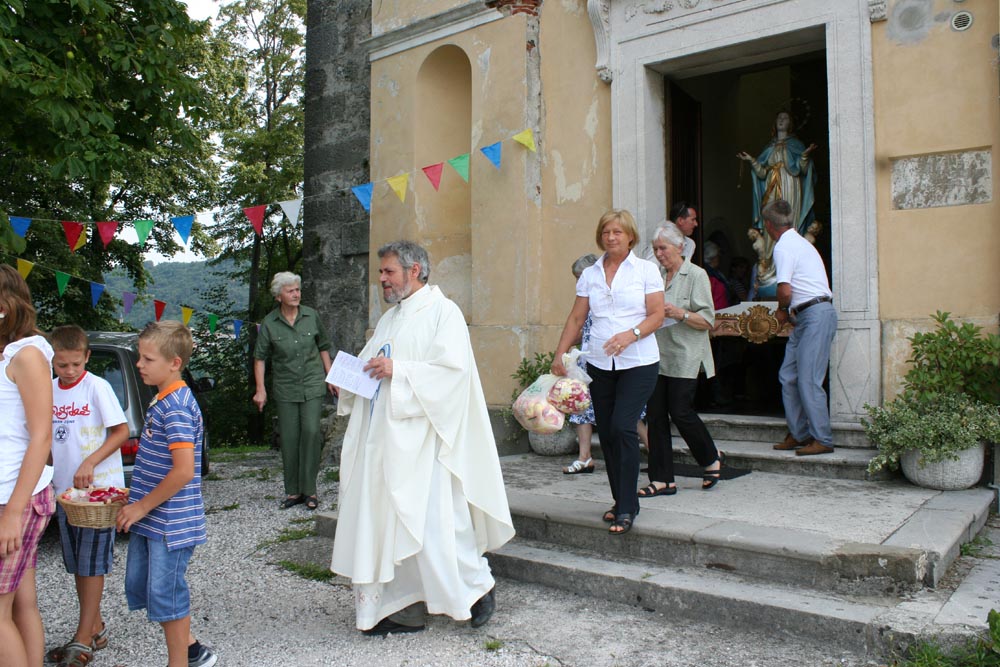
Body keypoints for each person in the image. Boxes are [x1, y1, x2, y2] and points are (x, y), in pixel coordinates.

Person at [331, 241, 514, 636]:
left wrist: (398, 370)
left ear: (414, 270)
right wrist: (348, 380)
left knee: (435, 523)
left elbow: (453, 374)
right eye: (381, 272)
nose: (382, 279)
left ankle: (476, 590)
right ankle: (403, 608)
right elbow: (372, 365)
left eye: (389, 271)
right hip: (384, 440)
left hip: (424, 442)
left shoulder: (443, 313)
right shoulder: (389, 319)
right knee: (388, 524)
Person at [551, 210, 664, 536]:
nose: (611, 237)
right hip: (600, 364)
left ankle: (627, 507)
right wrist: (560, 353)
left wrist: (632, 334)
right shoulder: (590, 274)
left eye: (617, 232)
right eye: (606, 232)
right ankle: (621, 500)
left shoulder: (646, 270)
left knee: (622, 426)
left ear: (630, 237)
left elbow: (657, 315)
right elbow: (576, 318)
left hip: (639, 362)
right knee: (610, 433)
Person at [115, 321, 217, 667]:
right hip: (153, 518)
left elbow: (184, 470)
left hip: (170, 525)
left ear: (175, 363)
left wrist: (141, 506)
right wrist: (134, 494)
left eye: (147, 359)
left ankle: (181, 662)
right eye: (140, 357)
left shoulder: (175, 408)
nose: (139, 365)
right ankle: (192, 649)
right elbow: (158, 463)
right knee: (148, 588)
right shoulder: (163, 398)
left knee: (166, 593)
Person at [45, 325, 128, 667]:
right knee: (78, 564)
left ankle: (82, 637)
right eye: (62, 365)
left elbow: (121, 431)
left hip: (98, 494)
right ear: (52, 361)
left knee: (92, 565)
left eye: (75, 364)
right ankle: (95, 627)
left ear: (87, 357)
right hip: (65, 493)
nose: (69, 371)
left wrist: (90, 461)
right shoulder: (49, 390)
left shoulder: (97, 387)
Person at [640, 223, 724, 498]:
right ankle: (662, 479)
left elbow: (708, 320)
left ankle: (710, 458)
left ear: (679, 247)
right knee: (655, 416)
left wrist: (680, 313)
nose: (659, 254)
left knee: (680, 411)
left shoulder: (696, 275)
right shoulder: (656, 276)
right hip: (657, 354)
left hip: (686, 353)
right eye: (655, 249)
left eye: (663, 248)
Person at [0, 264, 55, 667]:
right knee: (22, 603)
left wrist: (12, 513)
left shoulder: (28, 354)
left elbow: (41, 436)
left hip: (14, 498)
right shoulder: (7, 355)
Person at [762, 200, 837, 456]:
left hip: (813, 314)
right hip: (807, 315)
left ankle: (822, 438)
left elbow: (784, 289)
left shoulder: (784, 246)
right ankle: (799, 432)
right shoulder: (800, 242)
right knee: (789, 375)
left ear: (768, 225)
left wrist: (782, 310)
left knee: (808, 379)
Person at [253, 272, 333, 511]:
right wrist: (260, 390)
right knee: (289, 438)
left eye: (297, 290)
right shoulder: (269, 323)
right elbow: (260, 358)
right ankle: (294, 491)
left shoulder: (311, 316)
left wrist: (330, 375)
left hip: (312, 383)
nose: (296, 294)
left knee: (311, 432)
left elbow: (323, 346)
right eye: (290, 291)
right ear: (279, 296)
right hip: (285, 387)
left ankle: (310, 490)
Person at [563, 254, 599, 475]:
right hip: (585, 362)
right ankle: (584, 457)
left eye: (580, 277)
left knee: (628, 416)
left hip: (607, 362)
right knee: (581, 406)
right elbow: (581, 330)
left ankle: (656, 456)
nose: (578, 282)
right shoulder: (584, 300)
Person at [702, 241, 730, 311]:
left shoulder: (716, 272)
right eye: (718, 255)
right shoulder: (708, 273)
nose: (719, 258)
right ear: (713, 257)